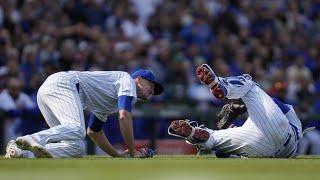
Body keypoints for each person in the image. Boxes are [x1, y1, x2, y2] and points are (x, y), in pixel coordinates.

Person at [5, 69, 163, 158]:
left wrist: (117, 154)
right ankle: (28, 139)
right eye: (152, 85)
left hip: (50, 90)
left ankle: (22, 154)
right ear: (139, 80)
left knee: (76, 148)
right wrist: (133, 151)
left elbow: (94, 131)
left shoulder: (111, 98)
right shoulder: (127, 80)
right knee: (76, 128)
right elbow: (124, 116)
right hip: (63, 84)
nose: (153, 91)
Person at [168, 64, 302, 158]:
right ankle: (218, 84)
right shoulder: (286, 113)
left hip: (258, 148)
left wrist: (229, 125)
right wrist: (241, 108)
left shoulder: (253, 121)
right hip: (285, 142)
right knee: (250, 85)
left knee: (214, 138)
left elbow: (223, 153)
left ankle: (194, 133)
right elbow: (277, 105)